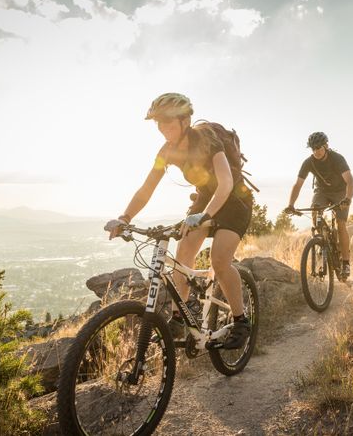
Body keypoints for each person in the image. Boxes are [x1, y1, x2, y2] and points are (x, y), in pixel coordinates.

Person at [105, 92, 252, 349]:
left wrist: (205, 216)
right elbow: (146, 189)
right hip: (205, 199)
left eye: (167, 122)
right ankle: (178, 317)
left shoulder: (206, 138)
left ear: (185, 121)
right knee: (182, 253)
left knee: (219, 259)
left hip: (234, 200)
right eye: (158, 123)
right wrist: (124, 217)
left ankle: (241, 321)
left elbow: (226, 182)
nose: (162, 129)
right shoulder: (167, 150)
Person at [285, 131, 353, 277]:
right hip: (321, 191)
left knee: (341, 224)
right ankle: (320, 240)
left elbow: (350, 181)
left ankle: (346, 263)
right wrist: (291, 204)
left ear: (326, 146)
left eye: (319, 147)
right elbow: (297, 185)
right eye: (313, 148)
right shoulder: (309, 162)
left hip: (340, 192)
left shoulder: (337, 159)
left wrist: (347, 199)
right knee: (315, 210)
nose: (316, 151)